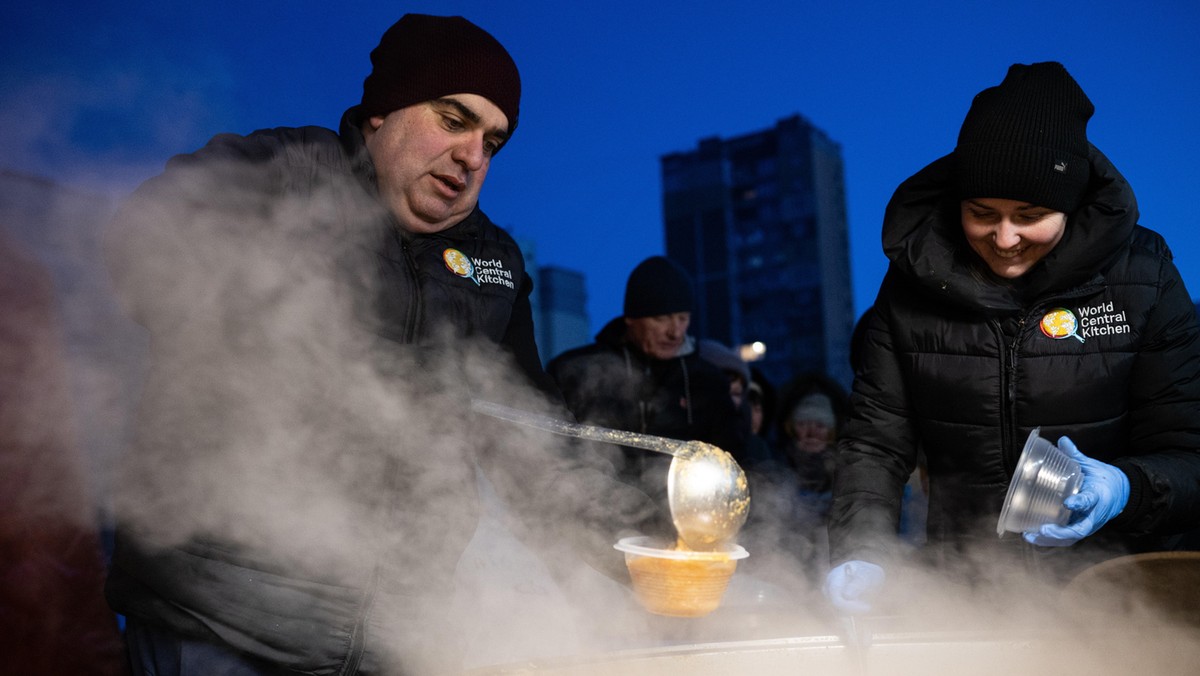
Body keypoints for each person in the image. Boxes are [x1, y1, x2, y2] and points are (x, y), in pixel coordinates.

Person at [103, 14, 655, 675]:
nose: (473, 156)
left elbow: (528, 440)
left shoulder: (492, 261)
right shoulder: (282, 175)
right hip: (225, 629)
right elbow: (139, 241)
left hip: (398, 635)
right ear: (378, 114)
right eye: (453, 120)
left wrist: (643, 551)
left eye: (493, 142)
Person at [824, 62, 1200, 615]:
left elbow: (1189, 452)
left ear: (1070, 205)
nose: (1005, 239)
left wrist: (1126, 487)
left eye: (1031, 215)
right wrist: (860, 551)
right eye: (982, 214)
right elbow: (875, 444)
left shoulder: (1142, 278)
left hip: (1119, 589)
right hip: (967, 583)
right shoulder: (913, 284)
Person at [547, 256, 745, 535]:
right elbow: (553, 449)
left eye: (683, 318)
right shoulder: (577, 372)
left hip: (684, 530)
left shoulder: (707, 382)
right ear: (631, 318)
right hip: (595, 528)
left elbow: (734, 460)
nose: (674, 331)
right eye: (661, 318)